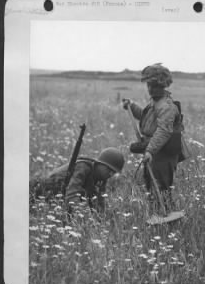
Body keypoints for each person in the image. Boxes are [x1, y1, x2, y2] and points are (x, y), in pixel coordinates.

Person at [123, 63, 185, 214]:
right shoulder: (155, 102)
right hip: (154, 150)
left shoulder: (167, 106)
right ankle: (157, 216)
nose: (150, 89)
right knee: (151, 186)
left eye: (154, 85)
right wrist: (131, 106)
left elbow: (163, 131)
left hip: (164, 153)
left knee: (162, 189)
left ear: (163, 85)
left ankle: (167, 219)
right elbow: (146, 120)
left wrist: (149, 150)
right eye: (149, 85)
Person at [30, 147, 125, 213]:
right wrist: (80, 216)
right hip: (38, 191)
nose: (111, 174)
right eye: (109, 169)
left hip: (55, 198)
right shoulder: (83, 167)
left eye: (114, 172)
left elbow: (99, 202)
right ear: (100, 164)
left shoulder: (101, 178)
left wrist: (100, 218)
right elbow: (72, 193)